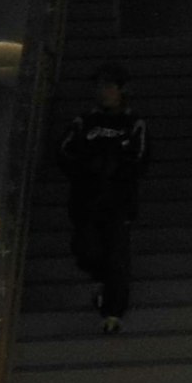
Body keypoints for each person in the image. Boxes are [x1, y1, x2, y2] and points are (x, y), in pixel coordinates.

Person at [59, 65, 151, 331]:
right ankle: (102, 283)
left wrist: (116, 167)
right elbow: (64, 152)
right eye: (100, 87)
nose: (104, 92)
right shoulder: (83, 121)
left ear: (122, 91)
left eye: (110, 87)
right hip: (85, 200)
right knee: (85, 251)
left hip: (118, 202)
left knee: (117, 255)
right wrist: (88, 167)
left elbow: (140, 158)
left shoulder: (134, 123)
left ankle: (113, 312)